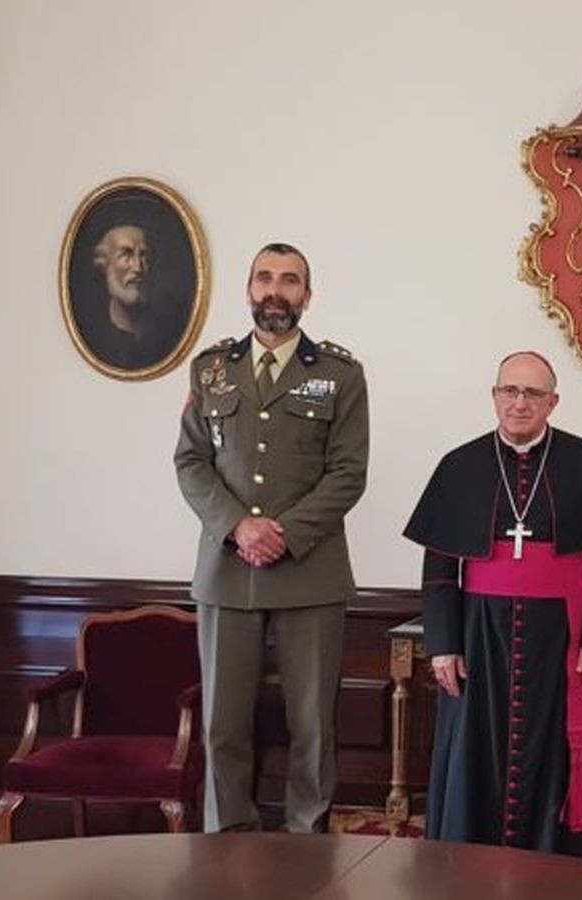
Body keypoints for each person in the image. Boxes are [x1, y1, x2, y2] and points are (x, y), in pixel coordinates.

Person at [404, 350, 582, 860]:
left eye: (532, 393)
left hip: (560, 634)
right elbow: (441, 571)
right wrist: (443, 646)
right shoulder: (460, 465)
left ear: (553, 402)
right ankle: (467, 862)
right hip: (479, 634)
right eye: (509, 391)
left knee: (553, 750)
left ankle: (556, 863)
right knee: (475, 747)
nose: (519, 403)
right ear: (494, 396)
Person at [174, 242, 369, 833]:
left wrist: (283, 533)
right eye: (264, 278)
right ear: (249, 290)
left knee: (312, 727)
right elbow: (191, 462)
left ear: (307, 296)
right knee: (223, 725)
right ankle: (227, 843)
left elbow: (348, 472)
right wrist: (239, 527)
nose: (275, 290)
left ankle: (307, 848)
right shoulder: (210, 370)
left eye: (290, 281)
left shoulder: (341, 374)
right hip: (226, 571)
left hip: (309, 574)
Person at [78, 224, 178, 370]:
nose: (137, 267)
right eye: (126, 255)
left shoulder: (168, 331)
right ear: (105, 264)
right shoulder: (93, 336)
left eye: (143, 255)